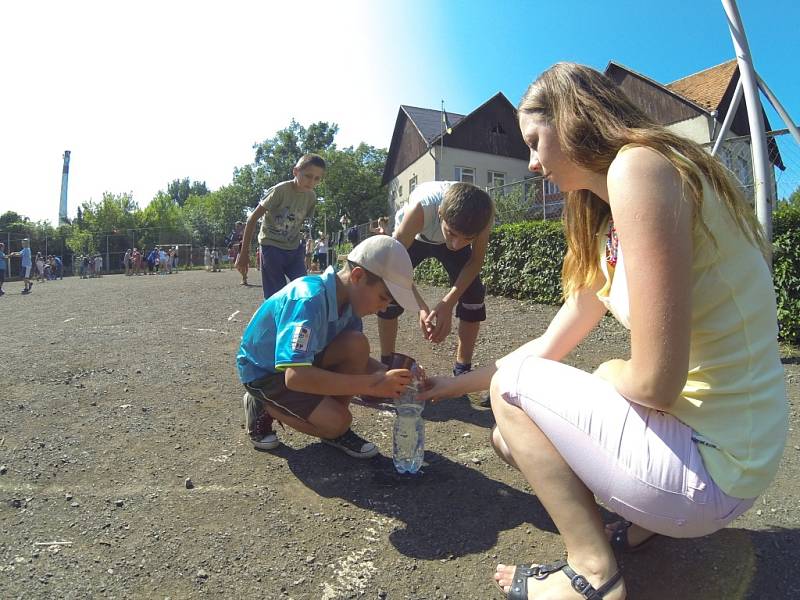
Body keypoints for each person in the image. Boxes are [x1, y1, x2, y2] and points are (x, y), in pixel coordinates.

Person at [418, 63, 788, 600]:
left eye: (535, 141)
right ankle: (641, 526)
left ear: (571, 117)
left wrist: (608, 371)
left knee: (520, 387)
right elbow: (544, 348)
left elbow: (656, 384)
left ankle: (593, 574)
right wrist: (444, 388)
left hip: (713, 469)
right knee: (508, 434)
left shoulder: (640, 167)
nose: (532, 163)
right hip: (734, 462)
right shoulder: (612, 223)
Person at [237, 235, 419, 456]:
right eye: (383, 297)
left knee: (357, 345)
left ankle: (328, 421)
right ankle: (262, 405)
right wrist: (373, 384)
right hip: (265, 372)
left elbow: (356, 358)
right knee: (337, 423)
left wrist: (403, 378)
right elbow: (295, 376)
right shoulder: (308, 300)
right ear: (358, 276)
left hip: (302, 362)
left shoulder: (349, 302)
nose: (383, 309)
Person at [377, 181, 494, 380]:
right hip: (417, 236)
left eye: (468, 239)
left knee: (473, 294)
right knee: (389, 291)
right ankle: (386, 364)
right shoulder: (421, 209)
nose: (456, 245)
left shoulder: (484, 215)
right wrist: (421, 307)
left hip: (450, 225)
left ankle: (462, 370)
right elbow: (394, 268)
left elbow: (475, 262)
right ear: (440, 213)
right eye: (452, 233)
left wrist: (447, 304)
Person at [235, 154, 326, 300]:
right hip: (271, 246)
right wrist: (243, 253)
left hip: (294, 248)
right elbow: (252, 219)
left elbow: (299, 222)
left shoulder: (311, 197)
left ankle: (299, 321)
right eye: (308, 176)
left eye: (317, 178)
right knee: (276, 295)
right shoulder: (280, 191)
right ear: (295, 171)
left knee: (304, 289)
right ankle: (274, 321)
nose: (312, 182)